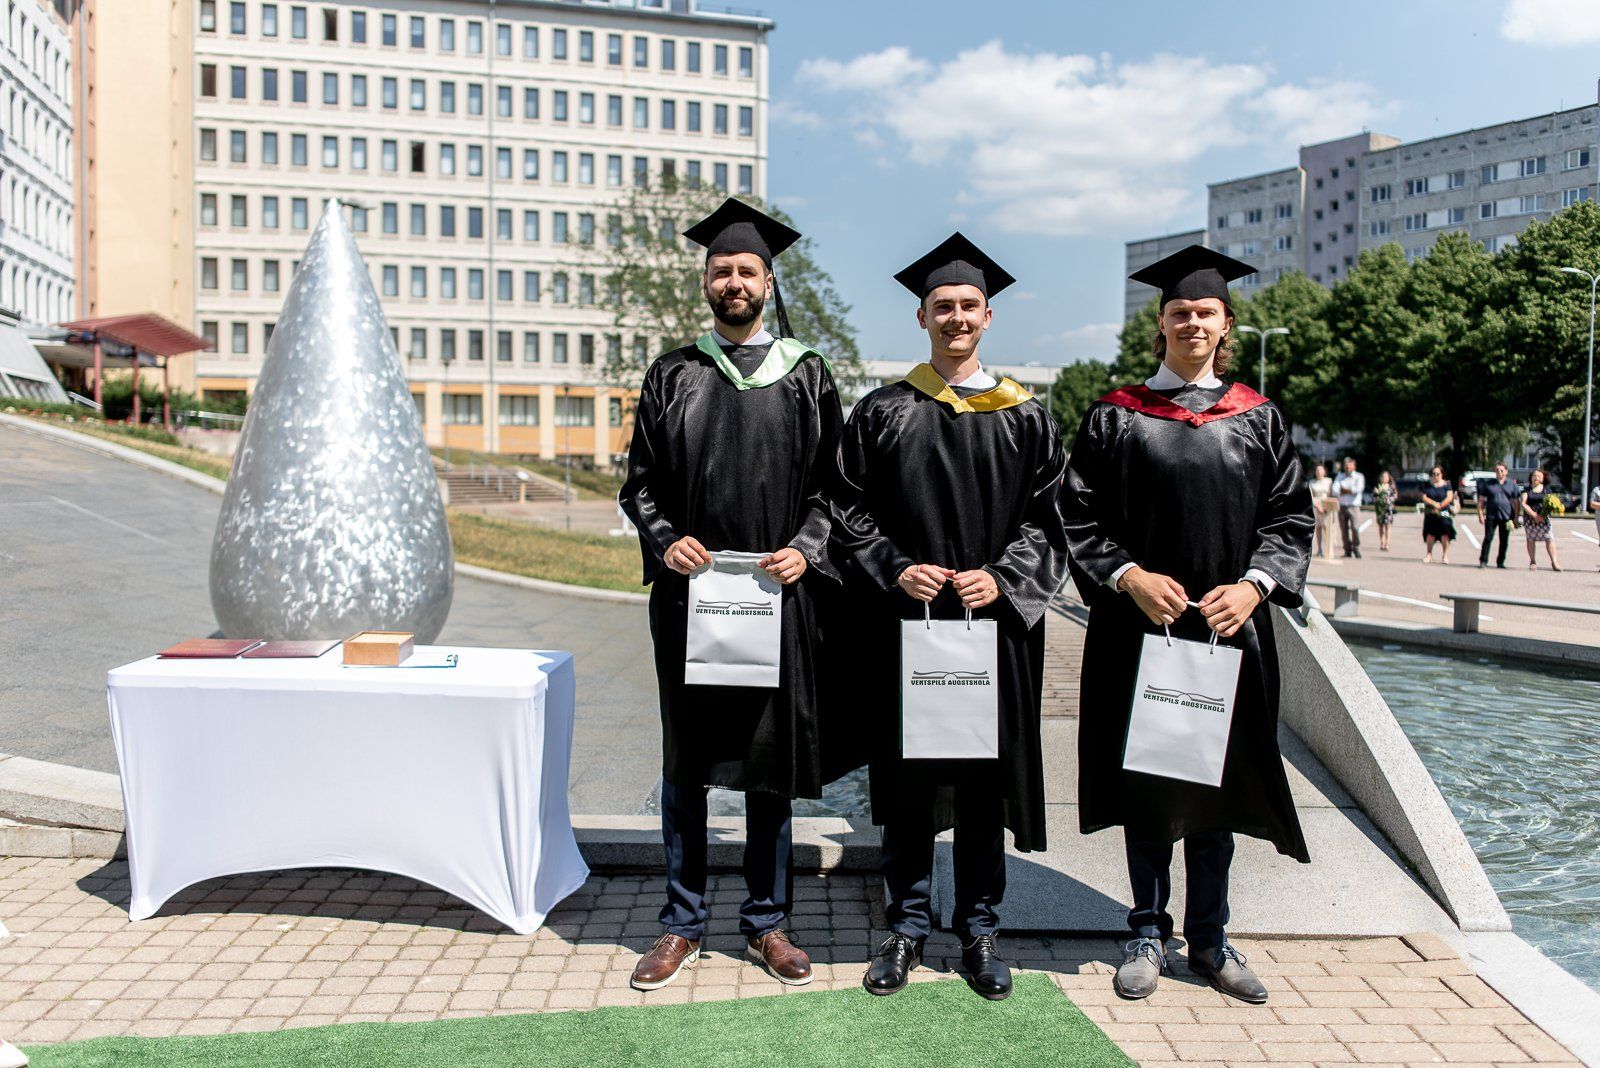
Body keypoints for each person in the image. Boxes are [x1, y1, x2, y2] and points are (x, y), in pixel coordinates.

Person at [1062, 245, 1314, 1006]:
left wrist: (1255, 586)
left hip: (1227, 632)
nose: (1192, 323)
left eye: (1206, 312)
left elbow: (1290, 518)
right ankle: (1145, 930)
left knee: (1216, 788)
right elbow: (1076, 516)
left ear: (1226, 324)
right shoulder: (1116, 417)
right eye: (1180, 312)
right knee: (1148, 781)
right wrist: (1127, 576)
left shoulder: (1258, 418)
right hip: (1140, 631)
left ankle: (1208, 938)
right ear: (1162, 323)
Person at [830, 233, 1069, 1002]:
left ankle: (979, 929)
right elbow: (846, 513)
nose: (956, 317)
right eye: (943, 306)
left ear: (988, 317)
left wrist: (1003, 579)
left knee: (981, 786)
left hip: (990, 636)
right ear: (923, 317)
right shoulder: (883, 412)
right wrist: (893, 567)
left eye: (969, 306)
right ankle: (904, 927)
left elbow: (1052, 522)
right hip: (909, 633)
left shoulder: (1025, 417)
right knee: (906, 781)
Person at [619, 198, 846, 992]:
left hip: (774, 600)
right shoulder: (672, 374)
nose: (734, 282)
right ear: (706, 282)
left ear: (768, 281)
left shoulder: (807, 375)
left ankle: (767, 922)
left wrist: (806, 546)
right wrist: (665, 539)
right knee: (685, 763)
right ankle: (681, 922)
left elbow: (836, 488)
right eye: (722, 270)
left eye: (747, 270)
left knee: (767, 762)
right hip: (691, 603)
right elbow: (639, 484)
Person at [1520, 469, 1563, 572]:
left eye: (1539, 476)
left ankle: (1554, 562)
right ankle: (1532, 561)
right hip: (1530, 520)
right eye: (1534, 475)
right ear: (1531, 477)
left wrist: (1543, 515)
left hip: (1544, 519)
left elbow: (1551, 503)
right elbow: (1523, 503)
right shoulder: (1527, 490)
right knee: (1530, 540)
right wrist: (1534, 515)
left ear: (1543, 479)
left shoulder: (1547, 490)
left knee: (1549, 539)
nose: (1536, 477)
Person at [1476, 463, 1518, 569]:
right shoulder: (1488, 484)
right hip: (1491, 516)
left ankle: (1500, 562)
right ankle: (1483, 561)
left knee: (1504, 540)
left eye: (1501, 470)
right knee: (1488, 538)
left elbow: (1516, 501)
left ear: (1506, 471)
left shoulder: (1512, 485)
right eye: (1497, 470)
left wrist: (1516, 517)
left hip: (1506, 517)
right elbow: (1481, 500)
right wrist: (1480, 514)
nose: (1499, 472)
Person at [1421, 466, 1456, 564]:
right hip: (1431, 511)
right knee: (1430, 533)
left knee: (1445, 532)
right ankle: (1429, 554)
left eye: (1437, 474)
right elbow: (1424, 497)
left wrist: (1440, 505)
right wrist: (1434, 504)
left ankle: (1445, 556)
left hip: (1444, 511)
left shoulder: (1447, 484)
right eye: (1433, 474)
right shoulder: (1427, 484)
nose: (1435, 476)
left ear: (1442, 474)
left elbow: (1449, 497)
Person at [1333, 457, 1365, 558]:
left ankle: (1356, 548)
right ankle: (1347, 550)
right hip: (1342, 506)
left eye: (1350, 466)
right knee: (1344, 530)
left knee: (1355, 528)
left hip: (1354, 506)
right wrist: (1348, 490)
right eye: (1346, 467)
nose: (1348, 468)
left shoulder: (1359, 476)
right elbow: (1335, 490)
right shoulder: (1340, 476)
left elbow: (1358, 490)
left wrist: (1344, 490)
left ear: (1354, 467)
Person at [1308, 465, 1336, 560]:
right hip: (1316, 506)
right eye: (1317, 470)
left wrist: (1327, 506)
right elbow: (1311, 496)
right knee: (1319, 527)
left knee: (1327, 527)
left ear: (1324, 472)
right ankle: (1319, 549)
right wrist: (1317, 506)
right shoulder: (1312, 482)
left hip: (1327, 506)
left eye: (1320, 470)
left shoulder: (1329, 481)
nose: (1319, 472)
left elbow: (1330, 494)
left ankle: (1329, 549)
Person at [1373, 470, 1397, 552]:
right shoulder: (1378, 487)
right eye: (1382, 477)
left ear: (1388, 478)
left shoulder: (1391, 487)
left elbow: (1395, 496)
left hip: (1388, 509)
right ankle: (1382, 542)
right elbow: (1374, 498)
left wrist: (1389, 499)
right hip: (1380, 509)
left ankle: (1387, 543)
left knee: (1388, 526)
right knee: (1381, 526)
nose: (1384, 478)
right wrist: (1376, 494)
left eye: (1386, 477)